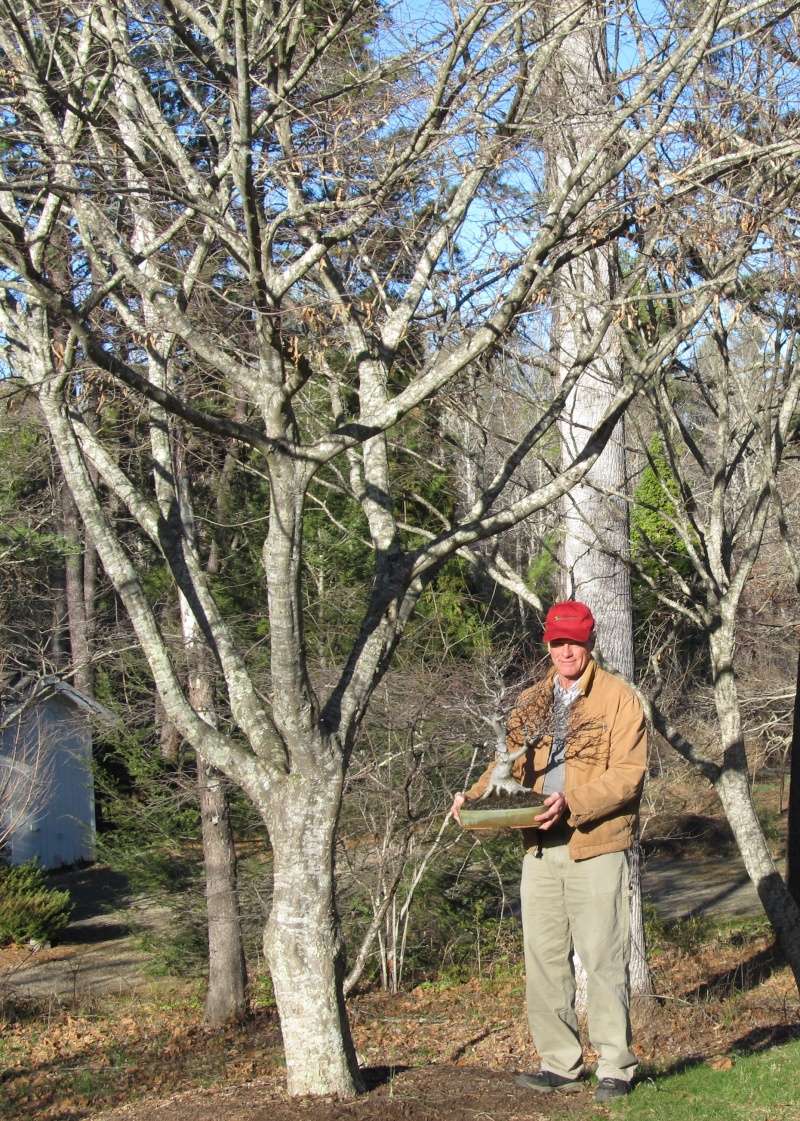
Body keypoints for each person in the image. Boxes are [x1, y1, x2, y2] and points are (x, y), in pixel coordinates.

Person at [450, 600, 646, 1103]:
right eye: (557, 642)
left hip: (594, 845)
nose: (565, 650)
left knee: (602, 957)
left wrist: (571, 802)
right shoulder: (532, 702)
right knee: (543, 958)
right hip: (537, 848)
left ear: (590, 641)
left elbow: (628, 776)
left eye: (574, 641)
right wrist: (471, 801)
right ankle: (560, 1063)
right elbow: (505, 768)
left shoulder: (619, 700)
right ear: (547, 644)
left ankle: (616, 1067)